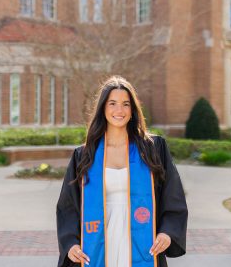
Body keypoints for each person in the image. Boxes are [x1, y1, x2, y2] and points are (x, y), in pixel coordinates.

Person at [56, 76, 188, 267]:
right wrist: (71, 243)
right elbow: (68, 205)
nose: (120, 110)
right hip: (97, 240)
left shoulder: (153, 149)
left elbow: (173, 194)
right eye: (113, 103)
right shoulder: (85, 155)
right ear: (103, 108)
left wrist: (167, 232)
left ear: (133, 110)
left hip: (142, 238)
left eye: (126, 104)